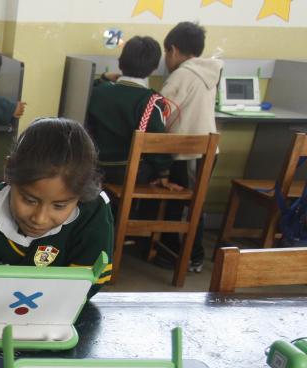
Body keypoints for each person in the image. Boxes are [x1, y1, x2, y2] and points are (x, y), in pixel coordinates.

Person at [0, 117, 113, 302]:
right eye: (29, 200)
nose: (40, 218)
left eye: (59, 206)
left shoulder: (92, 212)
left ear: (80, 196)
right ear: (9, 172)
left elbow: (88, 281)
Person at [158, 21, 223, 273]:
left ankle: (190, 256)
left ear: (173, 50)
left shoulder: (183, 74)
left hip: (190, 152)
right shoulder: (207, 71)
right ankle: (175, 251)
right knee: (189, 203)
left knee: (188, 206)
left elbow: (161, 112)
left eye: (166, 53)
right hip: (203, 151)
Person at [88, 36, 177, 188]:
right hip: (129, 171)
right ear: (153, 69)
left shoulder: (98, 92)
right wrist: (164, 173)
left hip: (94, 168)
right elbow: (156, 142)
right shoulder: (151, 100)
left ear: (120, 62)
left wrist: (103, 78)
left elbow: (87, 88)